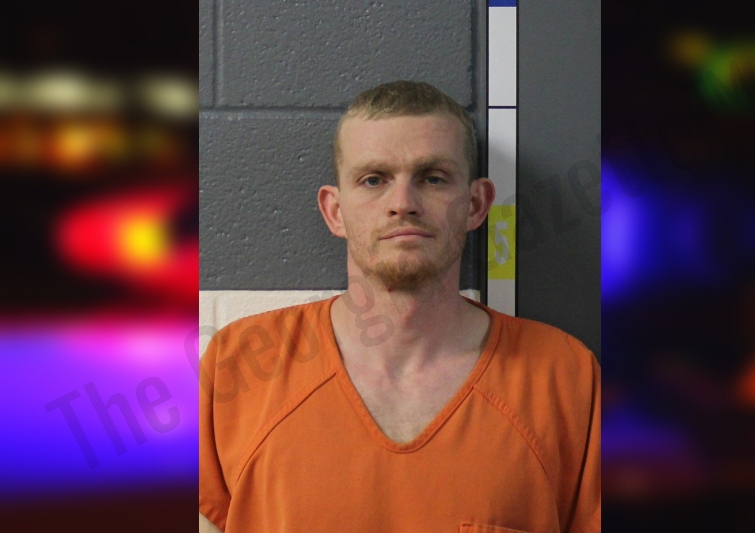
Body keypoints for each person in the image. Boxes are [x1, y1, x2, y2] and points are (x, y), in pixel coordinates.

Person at [199, 81, 600, 532]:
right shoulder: (237, 366)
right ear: (335, 211)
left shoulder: (565, 377)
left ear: (475, 205)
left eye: (433, 178)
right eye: (374, 180)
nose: (403, 204)